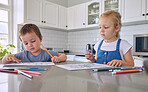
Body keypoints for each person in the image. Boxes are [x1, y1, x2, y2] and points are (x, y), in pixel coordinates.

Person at [2, 24, 67, 64]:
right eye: (26, 43)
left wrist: (59, 59)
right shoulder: (22, 55)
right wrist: (7, 57)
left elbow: (64, 56)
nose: (30, 45)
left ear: (40, 38)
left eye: (33, 41)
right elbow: (4, 62)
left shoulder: (46, 53)